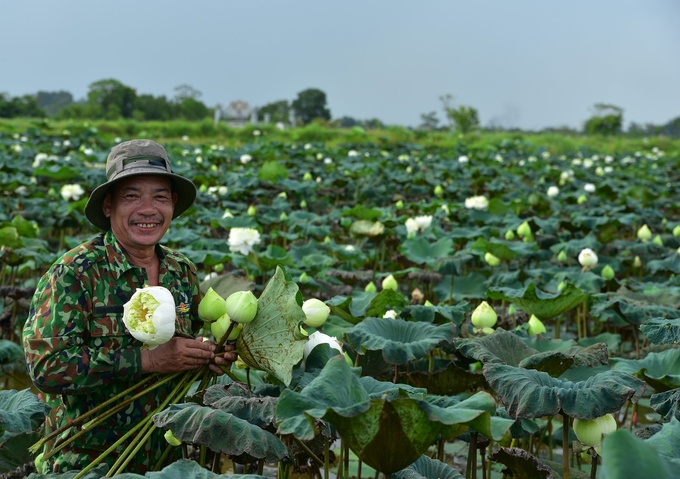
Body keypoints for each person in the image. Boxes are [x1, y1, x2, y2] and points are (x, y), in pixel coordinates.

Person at [22, 139, 237, 473]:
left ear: (173, 204)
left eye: (160, 197)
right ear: (108, 205)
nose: (148, 209)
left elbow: (186, 346)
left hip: (166, 457)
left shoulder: (182, 271)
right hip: (87, 460)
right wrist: (146, 360)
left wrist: (208, 354)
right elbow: (47, 367)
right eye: (132, 196)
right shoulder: (75, 273)